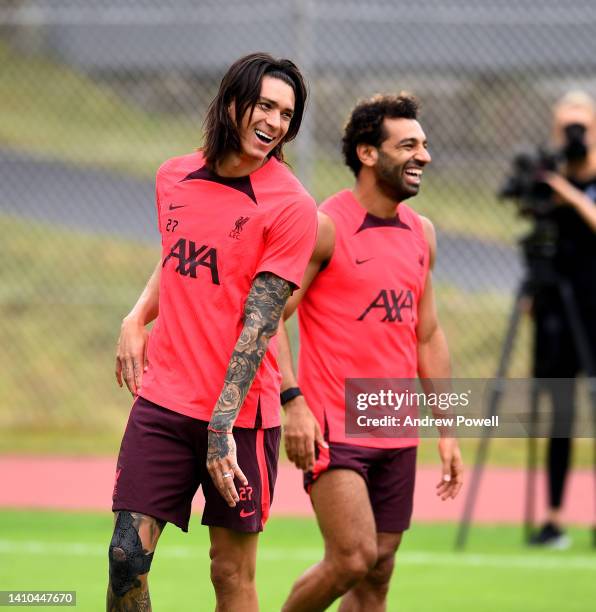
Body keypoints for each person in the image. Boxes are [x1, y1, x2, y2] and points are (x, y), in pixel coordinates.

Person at [108, 52, 317, 611]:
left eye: (286, 114)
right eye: (265, 105)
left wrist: (221, 425)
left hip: (241, 417)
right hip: (165, 401)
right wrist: (136, 316)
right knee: (125, 558)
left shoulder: (291, 205)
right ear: (231, 102)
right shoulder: (173, 175)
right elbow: (180, 254)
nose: (274, 122)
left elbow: (261, 320)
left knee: (229, 575)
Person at [277, 93, 464, 612]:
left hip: (397, 424)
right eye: (407, 145)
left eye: (423, 145)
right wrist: (293, 402)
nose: (423, 156)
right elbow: (267, 319)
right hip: (334, 424)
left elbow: (427, 336)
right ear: (366, 153)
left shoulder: (421, 233)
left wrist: (447, 429)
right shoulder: (324, 226)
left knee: (378, 571)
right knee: (352, 557)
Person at [529, 91, 596, 548]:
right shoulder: (545, 178)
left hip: (594, 312)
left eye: (582, 127)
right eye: (566, 127)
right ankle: (552, 518)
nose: (574, 136)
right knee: (560, 413)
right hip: (554, 311)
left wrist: (569, 192)